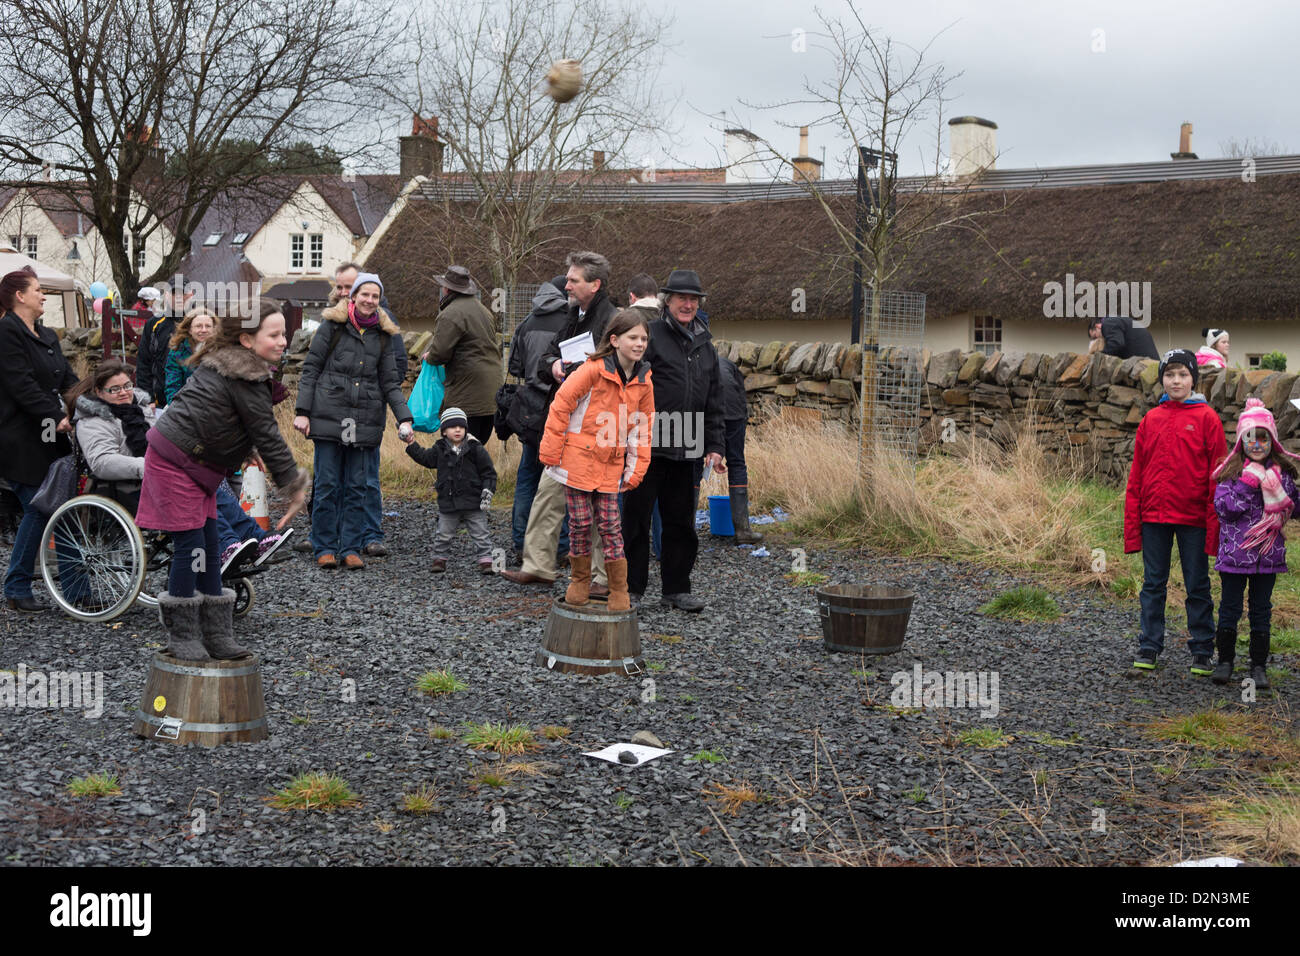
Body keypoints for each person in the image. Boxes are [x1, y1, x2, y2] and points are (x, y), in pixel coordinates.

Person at [136, 298, 309, 660]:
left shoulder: (243, 368)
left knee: (212, 546)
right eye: (274, 334)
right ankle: (182, 636)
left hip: (201, 464)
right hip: (173, 460)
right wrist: (293, 486)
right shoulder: (242, 373)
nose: (283, 342)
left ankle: (217, 634)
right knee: (192, 545)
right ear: (246, 340)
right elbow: (267, 433)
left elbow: (227, 422)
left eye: (285, 334)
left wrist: (244, 449)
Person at [501, 251, 618, 591]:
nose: (565, 284)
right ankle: (537, 565)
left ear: (594, 284)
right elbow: (547, 357)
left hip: (597, 426)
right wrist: (554, 366)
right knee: (548, 492)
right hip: (565, 420)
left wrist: (585, 371)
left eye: (573, 279)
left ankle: (600, 578)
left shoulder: (614, 321)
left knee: (598, 500)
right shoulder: (571, 314)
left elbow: (620, 371)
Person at [622, 269, 727, 613]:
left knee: (681, 522)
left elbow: (714, 401)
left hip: (690, 445)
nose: (688, 304)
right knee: (636, 520)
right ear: (667, 301)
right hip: (648, 444)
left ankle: (677, 589)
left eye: (693, 299)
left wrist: (715, 446)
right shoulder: (648, 336)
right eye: (681, 298)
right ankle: (631, 589)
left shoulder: (706, 346)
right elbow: (627, 385)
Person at [294, 273, 412, 570]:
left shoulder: (385, 335)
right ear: (354, 296)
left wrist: (404, 419)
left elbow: (390, 382)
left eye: (375, 296)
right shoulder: (331, 327)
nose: (369, 301)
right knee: (329, 485)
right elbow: (311, 369)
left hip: (365, 421)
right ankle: (324, 546)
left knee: (357, 487)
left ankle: (350, 547)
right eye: (365, 295)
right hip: (329, 418)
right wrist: (302, 411)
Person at [539, 309, 654, 612]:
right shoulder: (592, 369)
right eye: (633, 337)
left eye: (644, 338)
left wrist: (635, 469)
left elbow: (642, 428)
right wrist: (551, 452)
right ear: (615, 340)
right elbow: (561, 404)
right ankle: (580, 581)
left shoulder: (644, 381)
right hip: (577, 460)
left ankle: (618, 588)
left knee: (611, 526)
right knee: (579, 524)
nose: (639, 343)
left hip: (610, 465)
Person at [1125, 349, 1224, 673]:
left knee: (1197, 583)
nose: (1176, 380)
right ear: (1162, 379)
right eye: (1170, 374)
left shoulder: (1207, 418)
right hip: (1154, 516)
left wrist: (1215, 527)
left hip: (1193, 517)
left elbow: (1219, 476)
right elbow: (1137, 474)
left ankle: (1201, 649)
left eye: (1183, 374)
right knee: (1153, 583)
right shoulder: (1151, 420)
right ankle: (1149, 645)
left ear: (1193, 378)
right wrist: (1133, 525)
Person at [0, 266, 80, 612]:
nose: (43, 295)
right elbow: (21, 386)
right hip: (19, 439)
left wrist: (92, 402)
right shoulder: (6, 333)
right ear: (20, 296)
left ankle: (76, 590)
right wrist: (56, 417)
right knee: (42, 507)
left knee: (54, 507)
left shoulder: (46, 334)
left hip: (51, 439)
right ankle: (19, 586)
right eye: (37, 290)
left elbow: (67, 379)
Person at [1209, 398, 1300, 689]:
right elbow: (1225, 509)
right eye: (1250, 438)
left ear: (1272, 441)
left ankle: (1258, 666)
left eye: (1263, 437)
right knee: (1230, 608)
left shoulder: (1281, 476)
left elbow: (1294, 509)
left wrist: (1289, 494)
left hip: (1268, 555)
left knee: (1261, 610)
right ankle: (1225, 662)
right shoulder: (1230, 474)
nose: (1257, 444)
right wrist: (1248, 482)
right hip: (1235, 556)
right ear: (1241, 442)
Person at [334, 261, 407, 558]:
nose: (341, 292)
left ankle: (370, 533)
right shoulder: (333, 321)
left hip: (366, 413)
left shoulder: (384, 324)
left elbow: (398, 366)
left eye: (346, 287)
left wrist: (372, 396)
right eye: (337, 286)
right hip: (334, 412)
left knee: (365, 476)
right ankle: (333, 533)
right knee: (331, 475)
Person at [505, 275, 573, 562]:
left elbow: (515, 366)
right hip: (562, 405)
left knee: (527, 477)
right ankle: (560, 548)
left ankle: (521, 544)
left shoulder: (527, 321)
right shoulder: (572, 322)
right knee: (566, 479)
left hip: (531, 408)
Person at [402, 407, 497, 574]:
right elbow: (425, 458)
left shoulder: (475, 448)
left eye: (461, 427)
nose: (458, 430)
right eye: (453, 427)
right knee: (443, 533)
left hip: (474, 501)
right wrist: (411, 444)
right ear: (444, 431)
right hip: (449, 501)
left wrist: (488, 491)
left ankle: (486, 561)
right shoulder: (439, 449)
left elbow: (488, 472)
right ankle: (439, 559)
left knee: (481, 533)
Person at [419, 265, 501, 444]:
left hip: (466, 392)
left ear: (446, 288)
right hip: (491, 391)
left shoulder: (450, 314)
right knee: (477, 448)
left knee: (458, 452)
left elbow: (440, 353)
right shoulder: (484, 311)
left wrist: (429, 356)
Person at [69, 359, 159, 515]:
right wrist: (145, 466)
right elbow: (102, 461)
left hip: (155, 479)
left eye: (127, 386)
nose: (124, 392)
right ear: (99, 392)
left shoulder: (142, 410)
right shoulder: (92, 422)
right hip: (123, 488)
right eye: (115, 389)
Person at [164, 307, 219, 403]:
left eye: (208, 326)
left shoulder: (221, 350)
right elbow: (172, 386)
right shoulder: (178, 352)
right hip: (187, 405)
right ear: (190, 330)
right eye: (198, 326)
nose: (204, 330)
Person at [135, 295, 177, 407]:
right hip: (160, 401)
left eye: (183, 293)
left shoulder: (199, 325)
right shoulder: (154, 324)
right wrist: (147, 398)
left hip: (193, 402)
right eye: (174, 293)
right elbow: (144, 361)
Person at [1087, 316, 1158, 361]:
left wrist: (1099, 356)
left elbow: (1117, 343)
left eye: (1095, 336)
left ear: (1098, 326)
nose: (1097, 339)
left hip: (1144, 362)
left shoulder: (1108, 324)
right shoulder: (1117, 321)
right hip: (1150, 359)